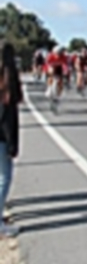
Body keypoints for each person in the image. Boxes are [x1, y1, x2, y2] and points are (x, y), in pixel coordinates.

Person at [0, 41, 22, 237]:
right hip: (2, 138)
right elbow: (6, 120)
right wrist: (12, 144)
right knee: (4, 178)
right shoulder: (6, 86)